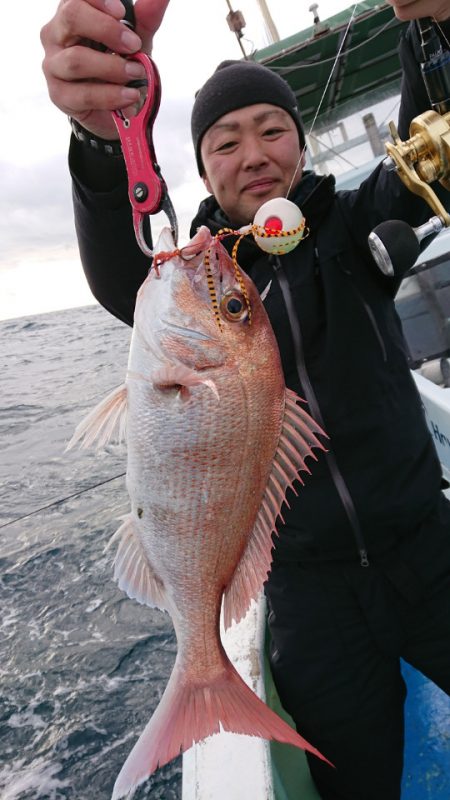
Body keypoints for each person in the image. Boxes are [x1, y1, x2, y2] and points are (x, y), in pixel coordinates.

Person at [41, 1, 450, 798]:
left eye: (273, 129)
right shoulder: (190, 278)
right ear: (202, 170)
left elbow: (428, 136)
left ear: (299, 142)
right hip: (305, 595)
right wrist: (100, 141)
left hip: (428, 546)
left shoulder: (353, 222)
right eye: (226, 141)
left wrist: (431, 30)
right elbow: (118, 268)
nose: (253, 153)